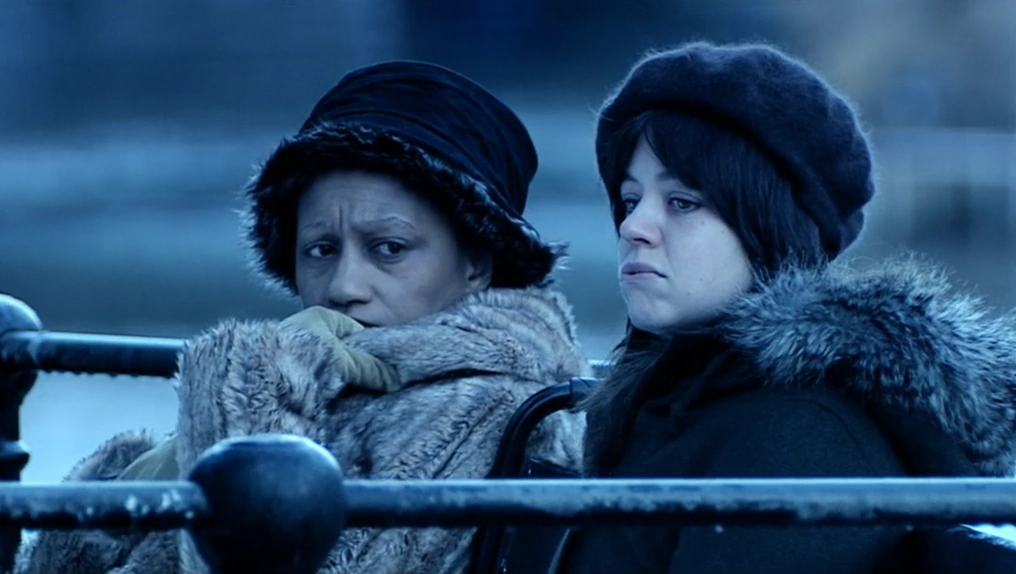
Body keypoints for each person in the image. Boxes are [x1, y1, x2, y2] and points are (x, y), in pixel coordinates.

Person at [17, 61, 589, 574]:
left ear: (477, 264)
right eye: (320, 249)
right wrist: (166, 461)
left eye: (389, 248)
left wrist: (253, 377)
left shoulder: (482, 407)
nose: (343, 286)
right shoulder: (322, 378)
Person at [560, 41, 1016, 573]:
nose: (633, 227)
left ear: (770, 225)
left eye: (682, 202)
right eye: (631, 199)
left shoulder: (798, 440)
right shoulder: (669, 400)